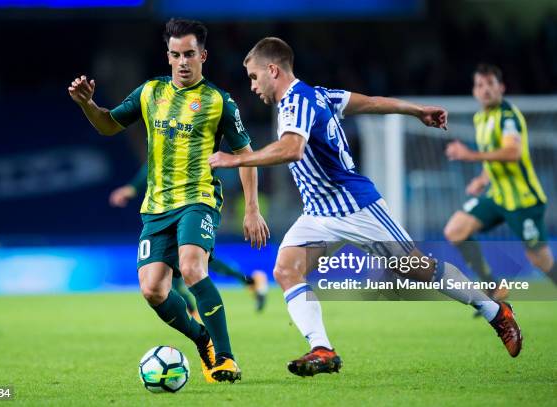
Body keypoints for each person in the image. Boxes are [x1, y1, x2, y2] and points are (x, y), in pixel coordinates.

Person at [209, 37, 522, 377]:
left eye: (255, 77)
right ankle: (322, 348)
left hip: (355, 206)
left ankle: (495, 312)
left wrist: (232, 158)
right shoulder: (322, 94)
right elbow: (371, 103)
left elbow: (291, 149)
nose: (252, 86)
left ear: (273, 70)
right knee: (286, 269)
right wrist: (416, 110)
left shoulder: (294, 104)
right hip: (318, 213)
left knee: (415, 267)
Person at [69, 19, 270, 383]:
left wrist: (252, 209)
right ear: (167, 55)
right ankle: (203, 339)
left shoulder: (218, 101)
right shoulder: (149, 93)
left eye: (190, 54)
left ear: (203, 56)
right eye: (176, 55)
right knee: (153, 290)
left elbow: (246, 154)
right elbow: (108, 125)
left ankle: (226, 358)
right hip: (156, 207)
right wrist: (88, 105)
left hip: (198, 199)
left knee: (193, 267)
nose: (182, 62)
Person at [444, 64, 557, 304]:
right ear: (474, 91)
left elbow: (511, 152)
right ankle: (493, 289)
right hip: (497, 196)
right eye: (480, 85)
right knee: (455, 230)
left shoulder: (508, 116)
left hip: (523, 200)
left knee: (540, 260)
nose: (485, 90)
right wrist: (482, 179)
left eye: (490, 85)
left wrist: (469, 155)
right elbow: (493, 153)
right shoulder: (480, 118)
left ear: (501, 88)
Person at [109, 164, 269, 313]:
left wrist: (132, 188)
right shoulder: (166, 145)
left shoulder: (186, 144)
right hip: (172, 210)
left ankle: (198, 319)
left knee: (191, 263)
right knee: (191, 263)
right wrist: (133, 188)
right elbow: (153, 164)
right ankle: (249, 283)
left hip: (193, 208)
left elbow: (155, 164)